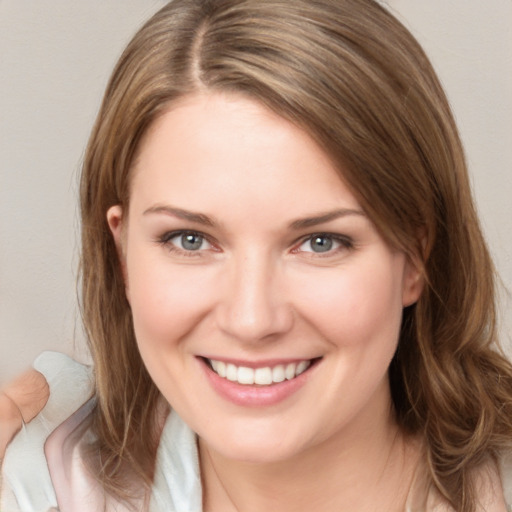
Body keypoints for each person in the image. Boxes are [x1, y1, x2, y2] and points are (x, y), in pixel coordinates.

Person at [1, 0, 511, 510]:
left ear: (415, 259)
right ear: (123, 256)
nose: (251, 321)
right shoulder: (37, 484)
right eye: (190, 240)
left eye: (321, 242)